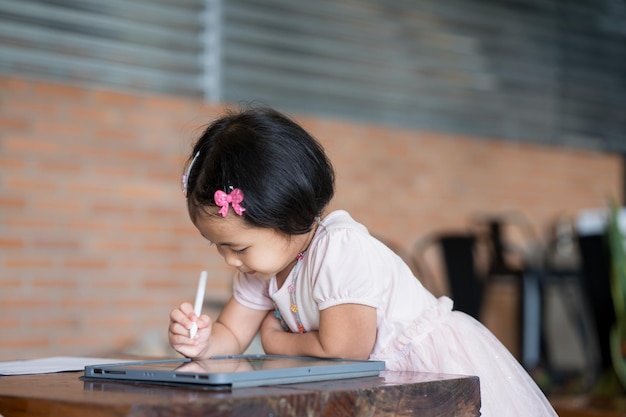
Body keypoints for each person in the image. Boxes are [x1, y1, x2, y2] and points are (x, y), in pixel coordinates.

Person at [168, 106, 558, 416]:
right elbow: (231, 337)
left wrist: (274, 339)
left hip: (426, 369)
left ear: (288, 217)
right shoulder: (259, 269)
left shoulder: (338, 248)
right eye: (215, 246)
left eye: (238, 247)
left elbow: (347, 348)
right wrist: (201, 342)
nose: (230, 261)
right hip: (372, 383)